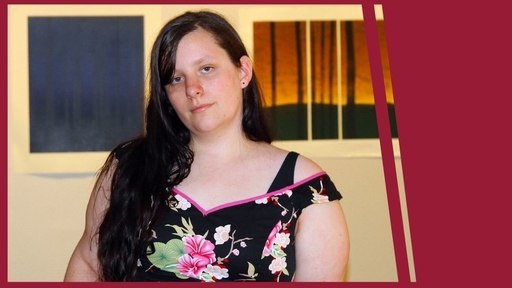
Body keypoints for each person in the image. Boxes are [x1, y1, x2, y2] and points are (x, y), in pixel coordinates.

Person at [63, 9, 349, 282]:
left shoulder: (306, 188)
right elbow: (89, 263)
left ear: (243, 72)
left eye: (207, 69)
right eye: (176, 78)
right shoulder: (129, 168)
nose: (192, 89)